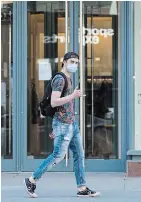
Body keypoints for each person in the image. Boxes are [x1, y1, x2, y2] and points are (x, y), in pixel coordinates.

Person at [23, 52, 100, 198]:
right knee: (57, 156)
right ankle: (32, 180)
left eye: (77, 62)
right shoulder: (60, 79)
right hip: (63, 124)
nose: (75, 65)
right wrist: (73, 96)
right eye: (72, 61)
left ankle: (82, 188)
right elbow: (54, 102)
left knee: (78, 154)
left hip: (72, 124)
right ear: (64, 62)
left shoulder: (68, 79)